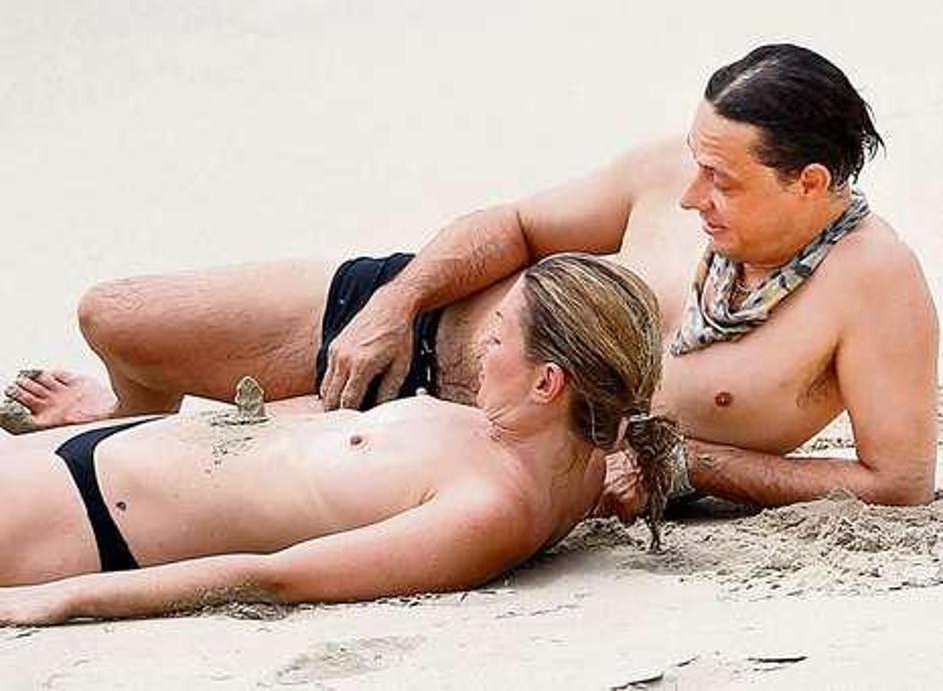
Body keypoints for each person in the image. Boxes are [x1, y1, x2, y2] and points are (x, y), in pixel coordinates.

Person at [2, 44, 938, 519]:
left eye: (722, 180)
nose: (692, 194)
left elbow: (897, 483)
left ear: (808, 183)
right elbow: (516, 225)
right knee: (114, 315)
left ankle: (129, 432)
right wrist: (395, 301)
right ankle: (134, 405)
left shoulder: (873, 286)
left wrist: (693, 464)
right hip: (418, 327)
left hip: (472, 440)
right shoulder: (673, 171)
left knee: (114, 482)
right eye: (694, 162)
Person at [0, 255, 677, 626]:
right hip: (124, 446)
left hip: (90, 514)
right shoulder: (580, 448)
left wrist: (67, 598)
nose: (479, 348)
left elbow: (276, 577)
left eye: (496, 338)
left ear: (547, 383)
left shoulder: (489, 509)